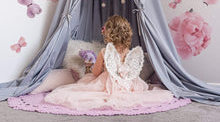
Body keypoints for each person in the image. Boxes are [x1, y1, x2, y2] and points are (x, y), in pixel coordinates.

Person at [44, 15, 173, 110]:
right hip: (129, 84)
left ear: (109, 34)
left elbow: (95, 73)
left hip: (108, 83)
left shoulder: (105, 51)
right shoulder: (130, 52)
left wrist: (88, 67)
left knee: (82, 89)